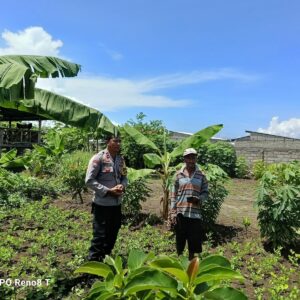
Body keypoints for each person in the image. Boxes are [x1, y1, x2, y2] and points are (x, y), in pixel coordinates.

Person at [85, 134, 127, 261]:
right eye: (115, 141)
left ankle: (105, 259)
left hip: (116, 204)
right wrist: (108, 191)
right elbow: (89, 180)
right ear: (108, 142)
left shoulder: (120, 160)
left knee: (113, 233)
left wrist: (122, 186)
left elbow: (124, 177)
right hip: (102, 205)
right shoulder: (98, 158)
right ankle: (93, 265)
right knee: (100, 236)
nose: (118, 144)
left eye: (120, 141)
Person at [170, 148, 208, 260]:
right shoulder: (178, 175)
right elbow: (173, 194)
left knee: (194, 243)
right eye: (189, 158)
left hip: (195, 214)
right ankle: (180, 263)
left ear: (196, 159)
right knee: (180, 241)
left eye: (193, 158)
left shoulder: (201, 175)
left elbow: (206, 192)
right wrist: (173, 212)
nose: (191, 160)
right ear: (184, 159)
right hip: (181, 213)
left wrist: (199, 199)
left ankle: (191, 265)